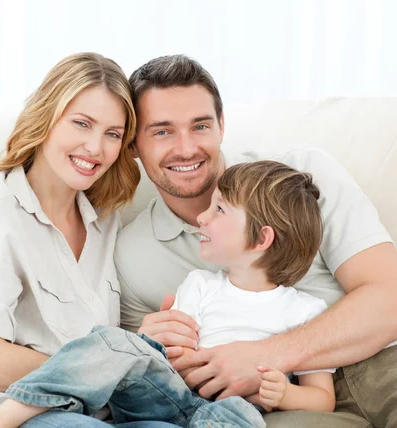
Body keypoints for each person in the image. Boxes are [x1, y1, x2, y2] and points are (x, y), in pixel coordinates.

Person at [116, 54, 397, 427]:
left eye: (200, 126)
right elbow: (153, 378)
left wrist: (264, 357)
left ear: (221, 125)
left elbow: (390, 296)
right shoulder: (133, 254)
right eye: (162, 131)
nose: (186, 148)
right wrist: (150, 345)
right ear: (133, 144)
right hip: (262, 409)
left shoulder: (299, 180)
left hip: (379, 368)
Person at [0, 160, 335, 428]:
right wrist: (170, 352)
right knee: (116, 343)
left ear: (262, 239)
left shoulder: (305, 313)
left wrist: (285, 394)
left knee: (242, 416)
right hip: (167, 394)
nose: (202, 218)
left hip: (226, 411)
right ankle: (16, 409)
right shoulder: (200, 284)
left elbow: (322, 398)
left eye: (220, 209)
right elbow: (166, 358)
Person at [0, 52, 178, 428]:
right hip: (2, 406)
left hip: (88, 409)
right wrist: (102, 366)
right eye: (81, 123)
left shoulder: (105, 219)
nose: (95, 148)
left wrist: (139, 346)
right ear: (46, 118)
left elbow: (108, 341)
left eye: (112, 134)